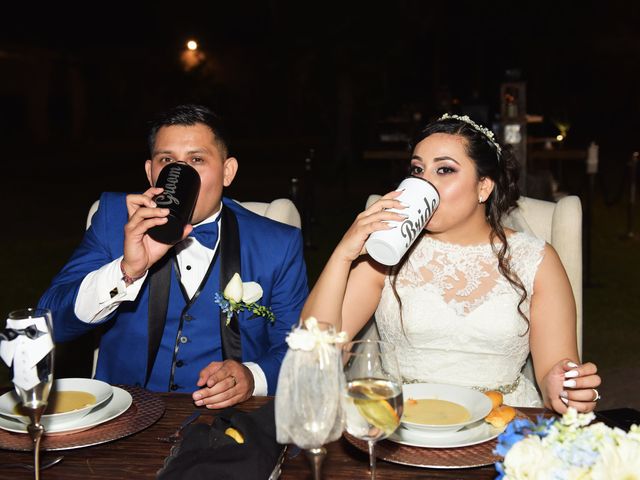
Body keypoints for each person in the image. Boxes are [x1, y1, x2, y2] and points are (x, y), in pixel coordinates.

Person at [301, 113, 601, 413]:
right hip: (398, 422)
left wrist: (562, 387)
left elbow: (555, 371)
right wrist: (343, 254)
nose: (425, 182)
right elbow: (315, 351)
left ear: (484, 187)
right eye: (418, 169)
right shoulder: (386, 254)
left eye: (444, 169)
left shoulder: (535, 260)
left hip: (498, 425)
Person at [39, 104, 308, 408]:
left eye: (197, 159)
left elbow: (297, 349)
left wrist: (252, 377)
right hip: (124, 412)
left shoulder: (277, 242)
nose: (181, 173)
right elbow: (50, 322)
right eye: (167, 160)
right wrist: (127, 270)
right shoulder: (115, 221)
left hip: (232, 422)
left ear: (227, 171)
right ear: (151, 172)